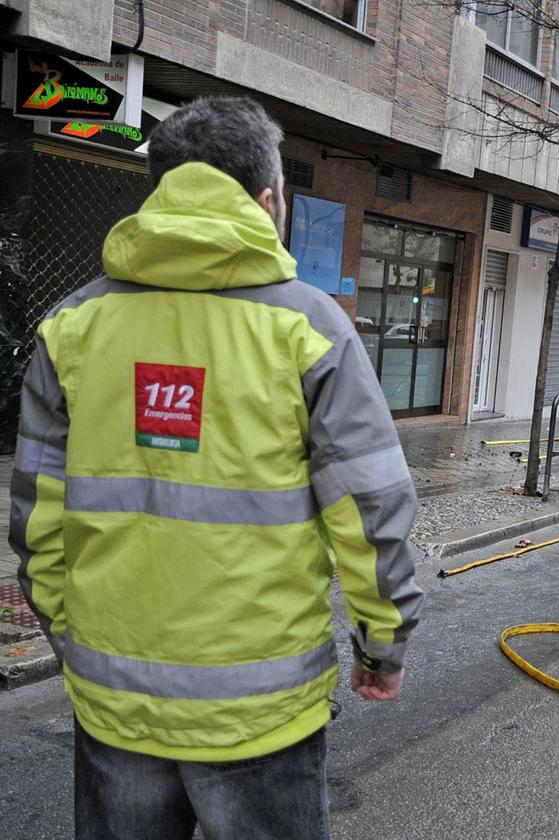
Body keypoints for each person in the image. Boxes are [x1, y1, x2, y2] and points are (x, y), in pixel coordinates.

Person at [8, 97, 425, 839]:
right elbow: (370, 510)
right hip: (262, 713)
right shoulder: (311, 327)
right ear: (269, 201)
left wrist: (77, 645)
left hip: (115, 703)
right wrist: (382, 644)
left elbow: (36, 522)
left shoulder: (73, 326)